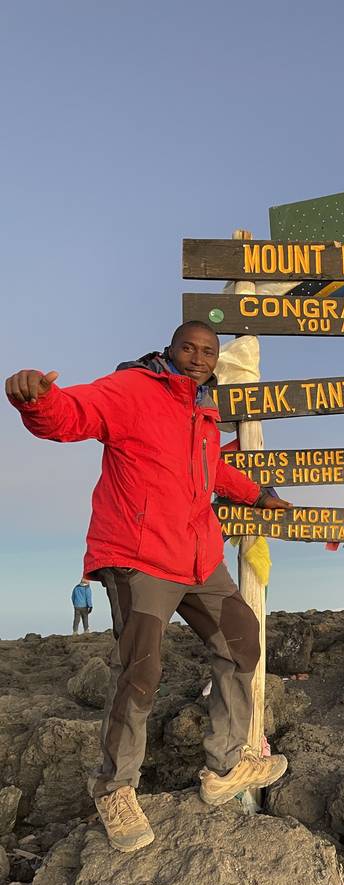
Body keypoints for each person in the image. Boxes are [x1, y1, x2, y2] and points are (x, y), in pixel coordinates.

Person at [6, 321, 292, 852]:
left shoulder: (203, 411)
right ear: (172, 348)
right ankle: (115, 789)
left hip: (198, 556)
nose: (199, 357)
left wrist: (257, 495)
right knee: (141, 672)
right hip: (138, 556)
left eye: (208, 351)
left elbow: (209, 473)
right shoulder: (133, 388)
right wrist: (36, 402)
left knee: (242, 641)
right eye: (189, 347)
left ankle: (227, 764)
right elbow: (73, 415)